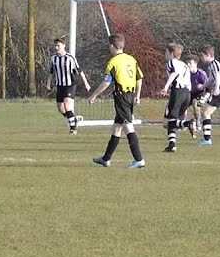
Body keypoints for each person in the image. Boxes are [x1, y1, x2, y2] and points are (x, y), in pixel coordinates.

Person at [88, 33, 146, 168]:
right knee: (116, 128)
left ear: (112, 46)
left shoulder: (113, 62)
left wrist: (94, 95)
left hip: (122, 96)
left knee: (127, 126)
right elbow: (139, 78)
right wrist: (137, 95)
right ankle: (106, 159)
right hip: (130, 95)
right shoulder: (131, 59)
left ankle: (139, 159)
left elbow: (107, 82)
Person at [48, 38, 90, 134]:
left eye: (58, 45)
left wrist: (86, 83)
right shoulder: (53, 58)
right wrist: (48, 83)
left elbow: (79, 70)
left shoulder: (70, 58)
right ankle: (73, 119)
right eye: (55, 45)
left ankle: (73, 128)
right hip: (60, 85)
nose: (56, 47)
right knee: (60, 108)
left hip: (70, 85)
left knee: (67, 106)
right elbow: (51, 71)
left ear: (64, 45)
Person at [160, 43, 190, 152]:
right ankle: (172, 145)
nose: (165, 54)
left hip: (178, 92)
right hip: (187, 93)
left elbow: (174, 73)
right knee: (172, 121)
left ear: (171, 53)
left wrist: (166, 87)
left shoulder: (171, 62)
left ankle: (188, 123)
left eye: (166, 52)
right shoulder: (184, 65)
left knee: (166, 122)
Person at [185, 55, 210, 139]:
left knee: (195, 104)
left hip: (199, 94)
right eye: (187, 63)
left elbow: (208, 88)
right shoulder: (185, 73)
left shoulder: (201, 74)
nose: (188, 65)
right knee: (181, 106)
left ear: (195, 64)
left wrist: (205, 97)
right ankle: (185, 123)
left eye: (190, 63)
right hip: (188, 92)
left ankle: (198, 123)